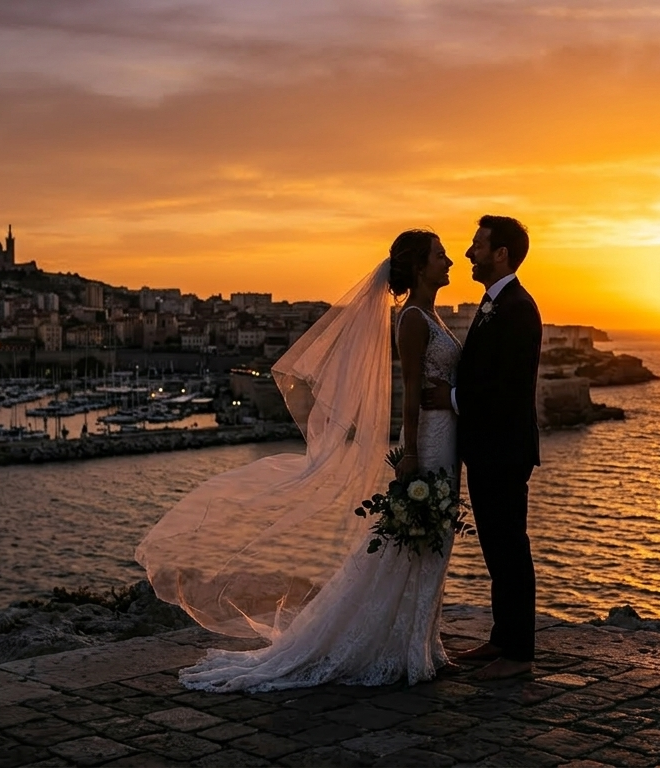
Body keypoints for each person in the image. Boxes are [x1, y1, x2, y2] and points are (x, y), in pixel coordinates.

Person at [135, 230, 461, 692]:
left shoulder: (433, 315)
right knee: (415, 539)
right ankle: (399, 645)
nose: (448, 261)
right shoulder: (411, 319)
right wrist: (410, 452)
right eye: (440, 255)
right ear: (418, 265)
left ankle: (421, 641)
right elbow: (409, 392)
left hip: (446, 439)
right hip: (427, 441)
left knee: (431, 539)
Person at [422, 214, 542, 680]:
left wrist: (449, 399)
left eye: (477, 245)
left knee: (510, 548)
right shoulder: (497, 303)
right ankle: (501, 640)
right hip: (491, 448)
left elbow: (506, 388)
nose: (469, 253)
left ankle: (519, 654)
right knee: (496, 547)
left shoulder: (515, 307)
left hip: (504, 449)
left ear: (501, 254)